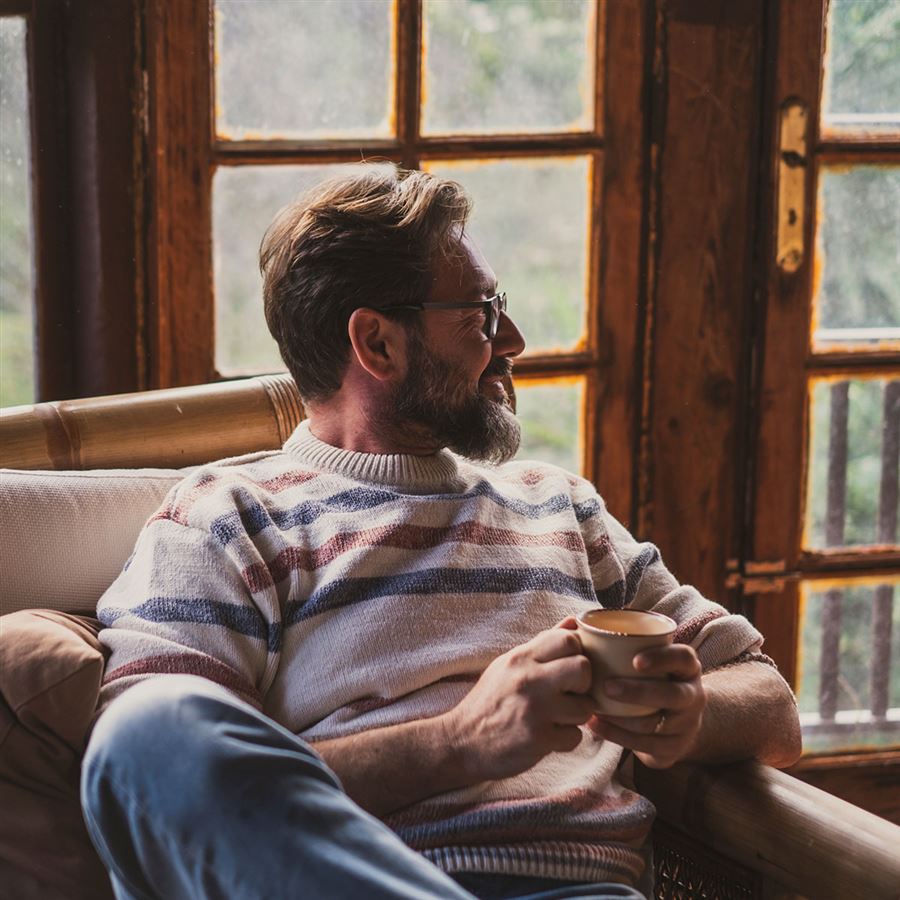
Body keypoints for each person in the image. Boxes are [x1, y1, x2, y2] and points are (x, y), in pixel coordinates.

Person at [81, 166, 801, 900]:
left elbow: (773, 705)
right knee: (144, 736)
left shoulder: (560, 506)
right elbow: (154, 791)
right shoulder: (227, 516)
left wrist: (689, 712)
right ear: (378, 344)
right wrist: (461, 741)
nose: (513, 340)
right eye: (482, 315)